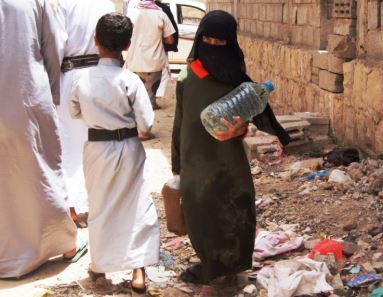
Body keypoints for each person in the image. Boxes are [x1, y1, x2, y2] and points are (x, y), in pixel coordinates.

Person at [69, 13, 160, 293]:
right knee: (136, 205)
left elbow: (74, 111)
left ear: (95, 41)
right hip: (129, 149)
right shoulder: (130, 81)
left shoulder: (81, 80)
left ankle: (100, 267)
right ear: (128, 44)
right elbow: (146, 124)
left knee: (99, 205)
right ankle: (138, 271)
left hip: (97, 149)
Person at [171, 11, 256, 295]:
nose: (211, 44)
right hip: (195, 156)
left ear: (229, 41)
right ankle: (212, 274)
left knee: (235, 210)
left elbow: (246, 114)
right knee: (201, 213)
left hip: (228, 157)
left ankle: (230, 270)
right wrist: (176, 162)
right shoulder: (188, 73)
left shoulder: (236, 71)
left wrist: (240, 131)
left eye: (219, 41)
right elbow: (179, 120)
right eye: (206, 38)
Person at [0, 0, 86, 278]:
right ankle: (64, 244)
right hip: (25, 91)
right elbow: (54, 43)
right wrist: (49, 92)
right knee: (40, 169)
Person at [54, 0, 116, 217]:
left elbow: (55, 44)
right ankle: (98, 201)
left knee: (69, 144)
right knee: (100, 140)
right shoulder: (105, 3)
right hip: (102, 75)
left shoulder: (63, 4)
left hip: (70, 78)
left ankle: (72, 206)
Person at [124, 0, 175, 134]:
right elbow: (170, 39)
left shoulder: (132, 13)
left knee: (134, 97)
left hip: (135, 61)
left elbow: (124, 35)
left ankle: (133, 129)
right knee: (149, 98)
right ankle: (144, 131)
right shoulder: (160, 13)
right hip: (154, 62)